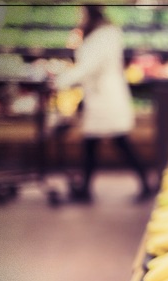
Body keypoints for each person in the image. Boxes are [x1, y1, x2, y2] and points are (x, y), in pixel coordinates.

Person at [54, 5, 153, 203]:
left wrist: (61, 80)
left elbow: (88, 67)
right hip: (101, 98)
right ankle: (87, 188)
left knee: (117, 142)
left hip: (106, 99)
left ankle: (143, 184)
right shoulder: (103, 35)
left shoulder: (102, 37)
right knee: (94, 144)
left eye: (81, 14)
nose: (79, 18)